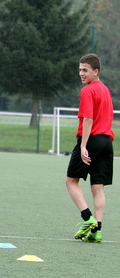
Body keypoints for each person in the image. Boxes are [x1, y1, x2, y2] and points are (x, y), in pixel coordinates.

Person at [66, 53, 114, 243]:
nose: (81, 73)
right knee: (98, 187)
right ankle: (97, 230)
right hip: (106, 142)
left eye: (85, 70)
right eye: (79, 70)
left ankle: (87, 219)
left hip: (92, 140)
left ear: (96, 71)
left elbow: (88, 119)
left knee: (71, 181)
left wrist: (84, 145)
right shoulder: (106, 90)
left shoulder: (88, 91)